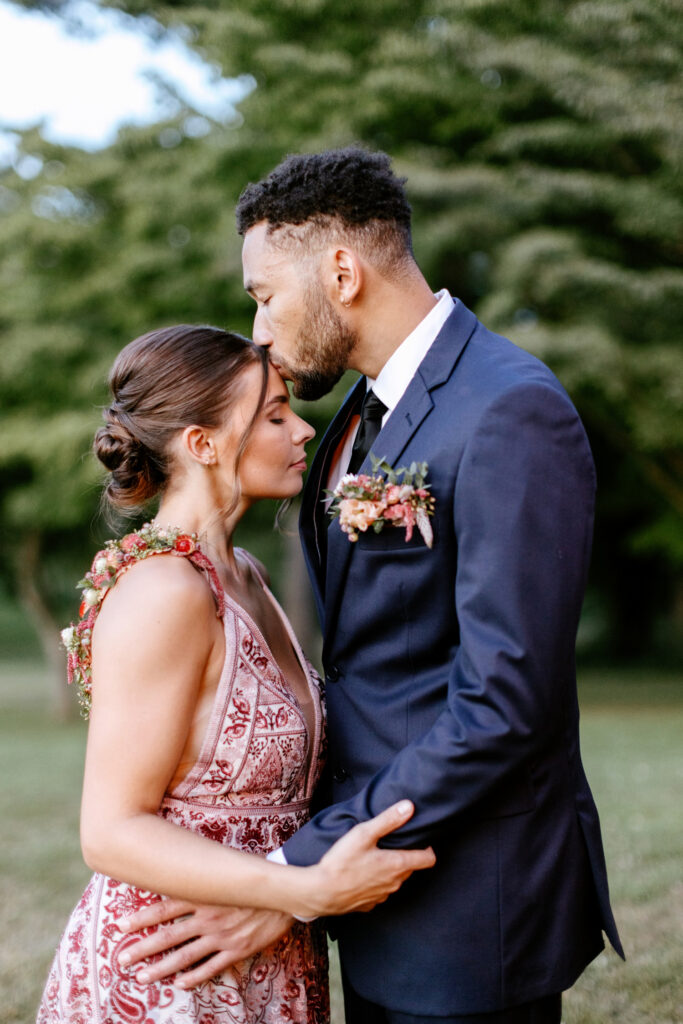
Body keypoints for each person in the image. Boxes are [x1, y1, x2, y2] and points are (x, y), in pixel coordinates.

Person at [121, 150, 624, 1023]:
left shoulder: (509, 409)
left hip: (471, 898)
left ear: (341, 272)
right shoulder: (356, 414)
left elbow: (506, 698)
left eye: (263, 295)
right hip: (371, 894)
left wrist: (291, 874)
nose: (260, 332)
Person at [36, 324, 435, 1024]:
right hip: (171, 968)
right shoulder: (165, 591)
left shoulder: (244, 574)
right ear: (202, 443)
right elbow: (110, 829)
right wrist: (303, 891)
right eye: (275, 416)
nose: (305, 431)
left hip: (269, 949)